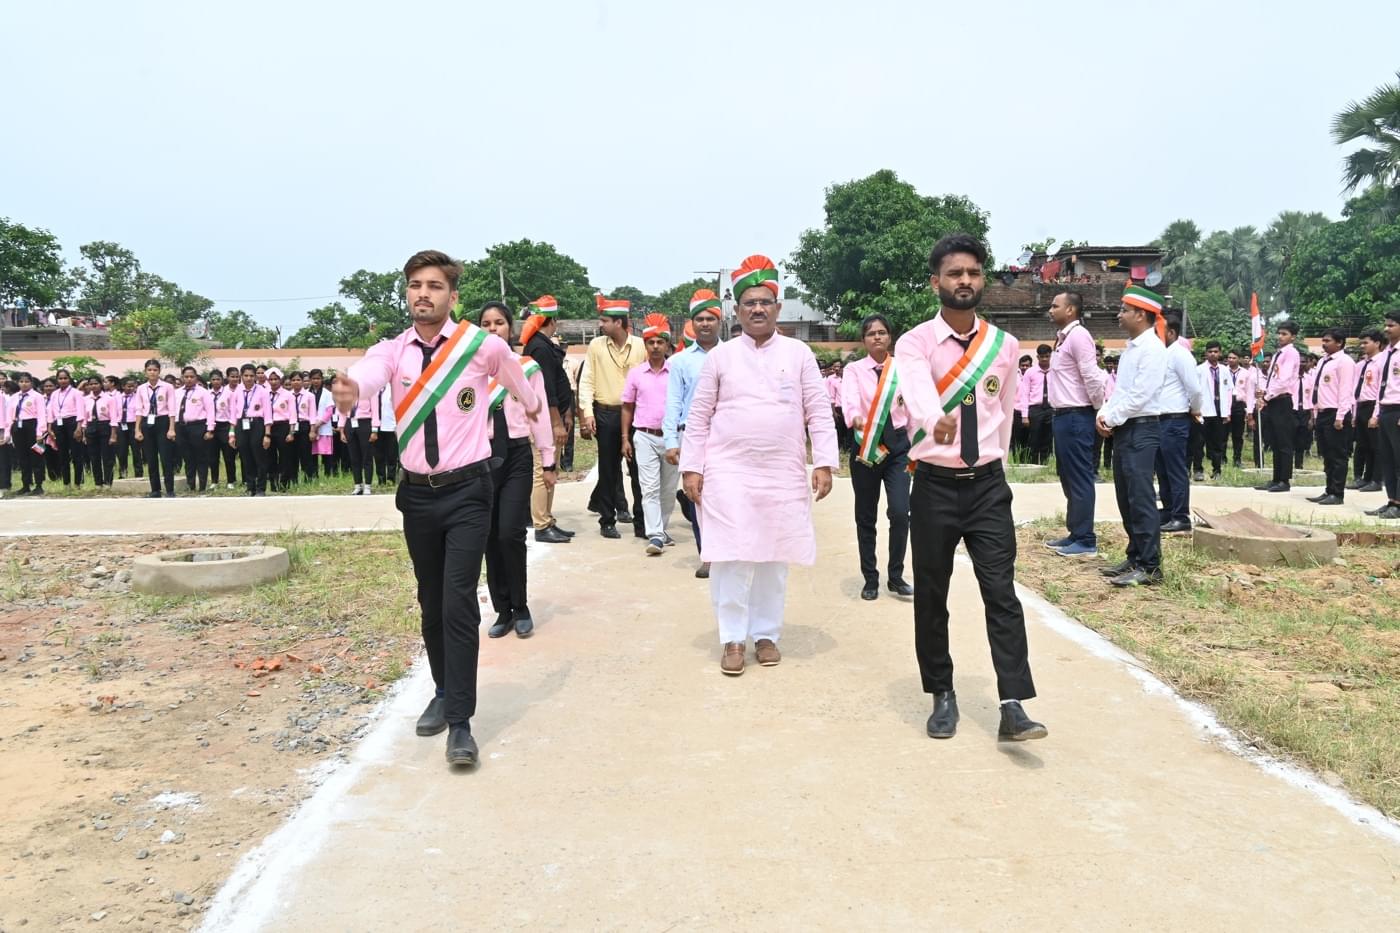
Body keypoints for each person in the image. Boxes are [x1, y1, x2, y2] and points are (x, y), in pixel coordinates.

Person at [333, 249, 540, 768]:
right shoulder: (392, 351)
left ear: (451, 296)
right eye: (414, 285)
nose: (422, 294)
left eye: (433, 286)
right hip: (417, 495)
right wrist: (352, 387)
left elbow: (516, 379)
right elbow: (369, 373)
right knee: (430, 599)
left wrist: (534, 408)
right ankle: (443, 690)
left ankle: (462, 722)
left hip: (470, 491)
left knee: (456, 601)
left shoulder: (480, 346)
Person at [894, 234, 1045, 742]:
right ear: (936, 281)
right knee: (932, 594)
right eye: (955, 273)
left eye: (974, 273)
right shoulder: (914, 341)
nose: (965, 282)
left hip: (986, 488)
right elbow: (914, 386)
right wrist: (934, 419)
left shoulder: (1003, 346)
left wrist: (994, 465)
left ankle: (1013, 704)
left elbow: (1002, 417)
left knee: (1001, 593)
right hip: (934, 486)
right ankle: (942, 693)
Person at [681, 254, 838, 676]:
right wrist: (692, 466)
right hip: (728, 471)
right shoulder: (721, 357)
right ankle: (732, 638)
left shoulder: (799, 353)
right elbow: (699, 416)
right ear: (737, 310)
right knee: (730, 554)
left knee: (774, 554)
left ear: (777, 307)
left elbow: (818, 411)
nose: (757, 309)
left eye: (765, 302)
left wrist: (824, 461)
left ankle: (766, 634)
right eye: (749, 302)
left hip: (782, 472)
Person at [477, 301, 555, 640]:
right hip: (479, 460)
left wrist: (549, 459)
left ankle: (521, 607)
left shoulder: (527, 367)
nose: (493, 329)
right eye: (486, 323)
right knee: (489, 537)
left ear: (511, 328)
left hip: (517, 457)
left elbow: (539, 417)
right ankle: (502, 609)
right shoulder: (468, 370)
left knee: (510, 532)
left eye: (499, 323)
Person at [1097, 286, 1169, 587]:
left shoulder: (1152, 349)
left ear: (1141, 314)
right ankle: (1135, 555)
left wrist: (1111, 417)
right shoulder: (1132, 348)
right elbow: (1120, 391)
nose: (1120, 314)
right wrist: (1104, 412)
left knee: (1140, 497)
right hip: (1126, 427)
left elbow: (1141, 395)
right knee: (1126, 496)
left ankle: (1150, 566)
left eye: (1125, 310)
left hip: (1142, 428)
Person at [842, 313, 914, 599]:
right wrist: (854, 418)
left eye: (882, 332)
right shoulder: (854, 370)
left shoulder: (903, 369)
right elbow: (848, 400)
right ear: (864, 340)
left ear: (890, 337)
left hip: (898, 447)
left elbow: (913, 407)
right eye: (871, 334)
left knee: (900, 512)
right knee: (866, 515)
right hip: (866, 446)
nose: (877, 337)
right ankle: (870, 578)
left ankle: (895, 575)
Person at [663, 289, 723, 578]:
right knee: (696, 494)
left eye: (710, 318)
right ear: (692, 323)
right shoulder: (680, 362)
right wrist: (671, 441)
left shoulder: (734, 355)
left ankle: (730, 551)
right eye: (699, 319)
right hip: (693, 436)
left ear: (719, 321)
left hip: (727, 436)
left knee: (728, 495)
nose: (705, 324)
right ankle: (708, 555)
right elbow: (673, 402)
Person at [1044, 291, 1107, 556]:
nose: (1050, 309)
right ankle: (1076, 533)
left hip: (1077, 415)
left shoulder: (1079, 336)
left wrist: (1098, 409)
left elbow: (1091, 376)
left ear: (1070, 310)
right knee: (1068, 476)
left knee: (1080, 477)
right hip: (1063, 416)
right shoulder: (1063, 339)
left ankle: (1086, 539)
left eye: (1055, 305)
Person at [579, 295, 645, 539]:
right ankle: (607, 520)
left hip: (638, 417)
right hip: (605, 414)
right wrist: (587, 412)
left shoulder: (641, 346)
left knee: (639, 470)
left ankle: (642, 522)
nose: (600, 324)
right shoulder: (596, 345)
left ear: (619, 322)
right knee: (608, 470)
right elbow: (587, 380)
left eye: (604, 320)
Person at [622, 314, 679, 556]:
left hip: (672, 438)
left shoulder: (677, 371)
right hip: (643, 436)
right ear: (645, 345)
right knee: (649, 488)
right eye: (651, 342)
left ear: (667, 345)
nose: (655, 346)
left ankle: (661, 529)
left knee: (668, 489)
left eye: (660, 342)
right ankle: (655, 534)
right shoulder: (636, 373)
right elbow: (627, 406)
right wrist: (625, 437)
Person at [522, 296, 575, 544]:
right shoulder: (540, 347)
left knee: (550, 470)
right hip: (545, 420)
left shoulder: (543, 344)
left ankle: (547, 518)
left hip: (553, 417)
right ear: (551, 320)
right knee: (543, 471)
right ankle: (541, 524)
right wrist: (555, 422)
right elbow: (547, 389)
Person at [1157, 315, 1202, 533]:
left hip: (1175, 418)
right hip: (1160, 419)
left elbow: (1194, 388)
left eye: (1159, 330)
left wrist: (1195, 409)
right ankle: (1167, 511)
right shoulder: (1162, 355)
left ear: (1171, 333)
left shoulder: (1181, 355)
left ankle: (1181, 515)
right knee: (1162, 469)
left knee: (1175, 469)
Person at [1305, 327, 1356, 506]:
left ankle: (1337, 493)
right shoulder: (1323, 362)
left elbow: (1345, 391)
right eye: (1323, 340)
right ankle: (1329, 490)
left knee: (1338, 455)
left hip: (1337, 413)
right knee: (1327, 454)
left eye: (1328, 341)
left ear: (1339, 342)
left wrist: (1341, 416)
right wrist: (1316, 413)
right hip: (1323, 413)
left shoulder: (1345, 362)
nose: (1324, 344)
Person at [1253, 321, 1301, 492]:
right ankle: (1276, 477)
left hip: (1282, 400)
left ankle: (1284, 480)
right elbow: (1273, 378)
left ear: (1293, 337)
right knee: (1275, 441)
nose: (1280, 337)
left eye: (1284, 334)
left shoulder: (1291, 354)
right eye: (1279, 333)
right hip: (1273, 400)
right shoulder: (1277, 355)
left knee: (1284, 442)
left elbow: (1283, 381)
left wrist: (1266, 397)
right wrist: (1264, 393)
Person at [1365, 311, 1400, 520]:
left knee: (1399, 460)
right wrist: (1377, 413)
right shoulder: (1387, 353)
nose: (1386, 329)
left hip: (1398, 409)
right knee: (1387, 459)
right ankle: (1391, 501)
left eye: (1392, 325)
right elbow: (1382, 386)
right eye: (1385, 325)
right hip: (1386, 409)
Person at [132, 359, 177, 498]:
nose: (152, 372)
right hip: (147, 422)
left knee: (165, 457)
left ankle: (169, 489)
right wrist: (137, 430)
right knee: (151, 458)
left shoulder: (167, 387)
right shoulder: (141, 388)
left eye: (155, 370)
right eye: (149, 370)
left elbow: (172, 409)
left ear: (159, 371)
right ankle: (155, 489)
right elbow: (139, 410)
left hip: (162, 421)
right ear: (145, 372)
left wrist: (171, 428)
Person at [229, 363, 272, 496]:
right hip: (241, 425)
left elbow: (268, 414)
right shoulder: (236, 392)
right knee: (246, 457)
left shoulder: (263, 391)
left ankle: (260, 488)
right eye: (246, 375)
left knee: (259, 457)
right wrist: (231, 433)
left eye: (251, 376)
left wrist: (267, 434)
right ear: (241, 376)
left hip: (257, 424)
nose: (248, 378)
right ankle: (250, 487)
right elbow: (233, 414)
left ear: (256, 377)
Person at [1351, 330, 1384, 493]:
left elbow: (1380, 391)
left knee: (1375, 446)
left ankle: (1376, 479)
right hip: (1361, 406)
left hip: (1373, 406)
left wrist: (1376, 414)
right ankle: (1362, 478)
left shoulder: (1381, 362)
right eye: (1361, 343)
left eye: (1366, 342)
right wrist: (1354, 413)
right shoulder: (1361, 365)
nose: (1363, 346)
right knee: (1362, 445)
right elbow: (1355, 391)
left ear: (1377, 343)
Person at [1194, 341, 1233, 480]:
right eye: (1210, 351)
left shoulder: (1225, 370)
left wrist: (1227, 412)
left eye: (1216, 351)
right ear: (1206, 354)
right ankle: (1198, 469)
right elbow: (1194, 391)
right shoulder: (1199, 370)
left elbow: (1229, 392)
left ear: (1220, 353)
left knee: (1217, 443)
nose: (1213, 354)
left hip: (1219, 410)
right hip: (1203, 411)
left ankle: (1217, 470)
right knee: (1199, 442)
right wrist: (1195, 409)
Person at [175, 365, 216, 492]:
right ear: (182, 378)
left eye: (191, 377)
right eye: (186, 377)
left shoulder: (203, 392)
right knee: (187, 458)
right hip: (181, 427)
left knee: (201, 458)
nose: (189, 379)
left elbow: (210, 411)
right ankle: (190, 485)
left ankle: (202, 486)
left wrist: (210, 430)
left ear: (196, 377)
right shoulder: (177, 392)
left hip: (198, 426)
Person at [11, 372, 48, 495]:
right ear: (18, 383)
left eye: (26, 381)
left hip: (32, 426)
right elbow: (9, 416)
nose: (24, 384)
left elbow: (42, 415)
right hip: (18, 427)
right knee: (22, 457)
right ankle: (26, 484)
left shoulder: (37, 396)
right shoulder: (14, 397)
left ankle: (39, 485)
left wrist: (40, 432)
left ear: (31, 383)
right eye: (21, 381)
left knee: (36, 456)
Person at [47, 368, 83, 486]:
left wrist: (79, 428)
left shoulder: (76, 393)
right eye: (60, 378)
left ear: (69, 379)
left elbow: (80, 410)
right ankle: (66, 483)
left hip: (72, 422)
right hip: (59, 423)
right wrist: (50, 427)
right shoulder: (54, 394)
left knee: (76, 454)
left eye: (65, 378)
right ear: (57, 380)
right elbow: (51, 410)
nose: (63, 381)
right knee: (63, 454)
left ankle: (78, 482)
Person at [1227, 351, 1257, 469]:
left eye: (1234, 358)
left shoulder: (1245, 373)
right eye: (1229, 357)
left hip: (1239, 404)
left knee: (1238, 434)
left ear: (1238, 359)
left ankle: (1237, 458)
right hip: (1226, 404)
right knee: (1223, 433)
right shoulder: (1223, 371)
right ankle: (1222, 458)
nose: (1231, 360)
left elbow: (1249, 392)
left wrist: (1249, 409)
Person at [209, 370, 238, 489]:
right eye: (213, 379)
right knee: (212, 456)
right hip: (212, 427)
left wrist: (232, 429)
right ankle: (214, 481)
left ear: (222, 380)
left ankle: (231, 480)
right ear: (210, 381)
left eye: (218, 379)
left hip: (225, 426)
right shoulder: (207, 394)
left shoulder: (228, 393)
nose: (216, 382)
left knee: (228, 456)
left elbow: (233, 412)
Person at [1011, 354, 1033, 458]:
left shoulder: (1033, 376)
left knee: (1029, 438)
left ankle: (1027, 459)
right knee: (1016, 438)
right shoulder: (1014, 376)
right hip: (1016, 411)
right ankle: (1017, 460)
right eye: (1022, 365)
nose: (1024, 367)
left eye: (1027, 365)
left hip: (1030, 411)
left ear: (1030, 366)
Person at [826, 359, 849, 452]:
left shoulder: (848, 379)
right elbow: (831, 396)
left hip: (849, 408)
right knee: (839, 429)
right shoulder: (832, 380)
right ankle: (838, 447)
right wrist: (833, 411)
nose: (837, 369)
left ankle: (847, 448)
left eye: (839, 367)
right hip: (838, 408)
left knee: (849, 429)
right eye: (835, 367)